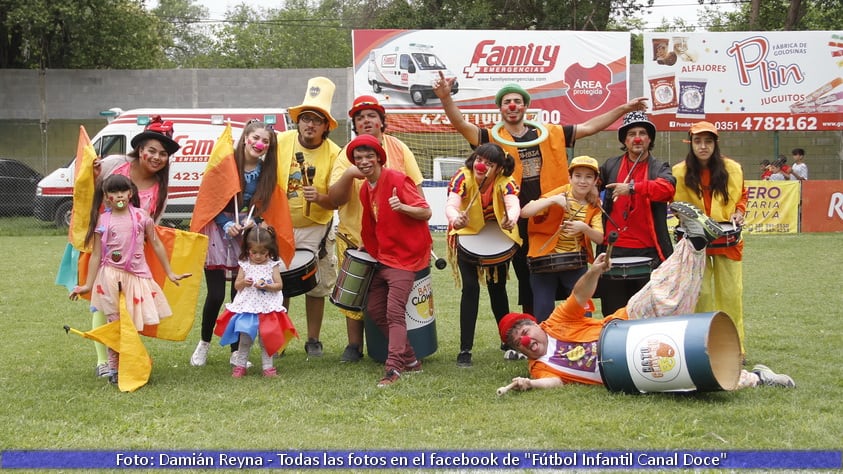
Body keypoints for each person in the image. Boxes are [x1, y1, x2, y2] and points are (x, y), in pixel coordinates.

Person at [498, 201, 795, 392]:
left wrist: (594, 272)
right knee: (689, 374)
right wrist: (529, 384)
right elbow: (554, 381)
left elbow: (579, 294)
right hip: (628, 366)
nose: (525, 342)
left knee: (659, 290)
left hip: (625, 326)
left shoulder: (554, 323)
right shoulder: (537, 367)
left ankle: (693, 239)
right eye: (518, 344)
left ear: (533, 324)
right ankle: (757, 377)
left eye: (524, 332)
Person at [432, 72, 647, 317]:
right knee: (524, 282)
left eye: (517, 101)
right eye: (506, 102)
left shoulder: (551, 132)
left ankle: (573, 327)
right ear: (501, 109)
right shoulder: (491, 138)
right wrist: (446, 98)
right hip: (511, 221)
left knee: (566, 277)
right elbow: (461, 125)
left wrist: (624, 108)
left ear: (525, 106)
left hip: (554, 216)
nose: (512, 105)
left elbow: (590, 126)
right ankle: (528, 331)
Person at [328, 95, 425, 363]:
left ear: (382, 122)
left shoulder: (399, 149)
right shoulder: (346, 154)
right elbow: (335, 198)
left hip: (397, 244)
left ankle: (403, 355)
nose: (366, 120)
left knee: (394, 304)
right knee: (357, 296)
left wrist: (409, 215)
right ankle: (354, 345)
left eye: (371, 115)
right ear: (355, 125)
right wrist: (349, 174)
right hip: (358, 237)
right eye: (360, 117)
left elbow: (418, 195)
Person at [69, 174, 191, 385]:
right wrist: (87, 284)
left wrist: (170, 273)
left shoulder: (141, 217)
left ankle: (131, 362)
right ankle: (114, 368)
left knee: (131, 324)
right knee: (114, 323)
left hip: (137, 278)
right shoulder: (102, 221)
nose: (119, 196)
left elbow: (157, 244)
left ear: (130, 193)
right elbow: (96, 255)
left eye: (122, 191)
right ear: (106, 197)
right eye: (114, 192)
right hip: (109, 277)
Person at [87, 116, 180, 378]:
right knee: (102, 305)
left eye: (163, 154)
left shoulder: (161, 188)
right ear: (140, 150)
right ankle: (102, 361)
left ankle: (121, 357)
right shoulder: (114, 166)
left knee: (126, 308)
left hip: (133, 259)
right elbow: (88, 192)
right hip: (102, 248)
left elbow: (152, 225)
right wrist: (91, 176)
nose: (156, 157)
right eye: (151, 150)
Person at [337, 135, 432, 387]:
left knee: (393, 313)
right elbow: (372, 223)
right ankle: (410, 360)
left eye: (369, 156)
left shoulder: (398, 180)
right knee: (374, 309)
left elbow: (426, 211)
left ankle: (393, 368)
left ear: (379, 158)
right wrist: (365, 245)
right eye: (359, 158)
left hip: (405, 258)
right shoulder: (365, 188)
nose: (364, 161)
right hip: (383, 257)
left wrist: (402, 207)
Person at [190, 119, 280, 367]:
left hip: (243, 235)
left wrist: (254, 222)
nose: (259, 144)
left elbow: (261, 206)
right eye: (256, 138)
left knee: (239, 293)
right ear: (246, 138)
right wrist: (224, 224)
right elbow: (211, 197)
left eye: (265, 141)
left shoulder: (265, 173)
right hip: (218, 232)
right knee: (216, 294)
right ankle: (204, 344)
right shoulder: (225, 164)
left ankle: (235, 351)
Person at [276, 77, 341, 358]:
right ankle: (277, 338)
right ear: (298, 122)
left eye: (316, 120)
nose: (310, 125)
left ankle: (313, 339)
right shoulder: (280, 142)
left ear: (326, 126)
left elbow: (338, 197)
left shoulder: (336, 154)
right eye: (305, 119)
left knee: (318, 285)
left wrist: (322, 199)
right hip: (279, 225)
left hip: (318, 228)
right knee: (280, 284)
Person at [673, 121, 748, 359]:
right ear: (690, 143)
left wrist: (740, 212)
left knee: (731, 294)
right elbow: (673, 202)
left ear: (715, 143)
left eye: (708, 141)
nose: (703, 146)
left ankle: (735, 347)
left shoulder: (733, 169)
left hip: (728, 243)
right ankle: (702, 345)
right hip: (696, 244)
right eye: (697, 141)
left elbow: (742, 196)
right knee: (700, 294)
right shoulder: (679, 172)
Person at [445, 143, 521, 368]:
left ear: (498, 168)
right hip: (467, 236)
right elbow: (452, 203)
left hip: (496, 238)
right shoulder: (462, 176)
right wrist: (455, 217)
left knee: (497, 289)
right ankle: (465, 350)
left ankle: (507, 342)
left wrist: (512, 219)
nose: (482, 165)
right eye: (480, 159)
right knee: (470, 288)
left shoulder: (505, 181)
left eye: (489, 163)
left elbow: (513, 203)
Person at [597, 111, 676, 317]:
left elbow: (667, 189)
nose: (637, 138)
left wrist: (632, 187)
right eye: (632, 134)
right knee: (613, 315)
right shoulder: (610, 165)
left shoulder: (660, 167)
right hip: (613, 251)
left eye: (642, 133)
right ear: (624, 139)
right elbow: (589, 185)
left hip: (648, 251)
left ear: (650, 139)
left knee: (646, 315)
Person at [520, 156, 604, 323]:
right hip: (543, 261)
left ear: (595, 180)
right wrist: (552, 200)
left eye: (588, 177)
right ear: (570, 177)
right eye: (578, 175)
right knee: (543, 310)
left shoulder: (594, 205)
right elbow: (525, 212)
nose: (582, 181)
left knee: (583, 310)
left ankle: (582, 344)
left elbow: (600, 238)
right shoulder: (559, 193)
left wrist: (584, 228)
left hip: (574, 263)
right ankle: (548, 346)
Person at [214, 225, 298, 378]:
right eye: (254, 252)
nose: (258, 256)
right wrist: (244, 282)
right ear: (248, 250)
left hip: (267, 308)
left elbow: (279, 285)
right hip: (248, 307)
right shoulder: (244, 264)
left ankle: (268, 367)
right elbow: (237, 285)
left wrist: (268, 285)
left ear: (269, 251)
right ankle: (240, 365)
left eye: (263, 253)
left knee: (266, 337)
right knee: (245, 338)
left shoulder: (272, 265)